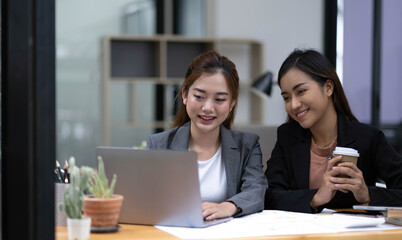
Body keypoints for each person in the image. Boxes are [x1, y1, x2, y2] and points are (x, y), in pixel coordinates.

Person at [265, 49, 402, 213]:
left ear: (328, 88)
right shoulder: (287, 137)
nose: (293, 105)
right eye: (286, 98)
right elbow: (269, 196)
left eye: (301, 91)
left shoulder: (368, 138)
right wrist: (316, 198)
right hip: (303, 236)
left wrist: (367, 195)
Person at [147, 50, 267, 220]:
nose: (208, 108)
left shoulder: (247, 145)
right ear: (184, 95)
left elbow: (257, 190)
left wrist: (228, 206)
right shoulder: (159, 144)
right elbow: (145, 196)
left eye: (219, 99)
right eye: (199, 96)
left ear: (232, 103)